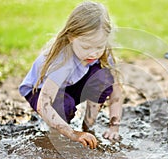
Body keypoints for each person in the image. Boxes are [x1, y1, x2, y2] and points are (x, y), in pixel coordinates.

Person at [18, 1, 122, 149]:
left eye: (99, 46)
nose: (93, 53)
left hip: (72, 83)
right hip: (41, 92)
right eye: (86, 47)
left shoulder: (100, 52)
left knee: (104, 79)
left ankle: (88, 126)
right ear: (71, 37)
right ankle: (56, 130)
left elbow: (116, 90)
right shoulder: (62, 61)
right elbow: (44, 104)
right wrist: (73, 134)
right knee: (64, 107)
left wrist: (114, 127)